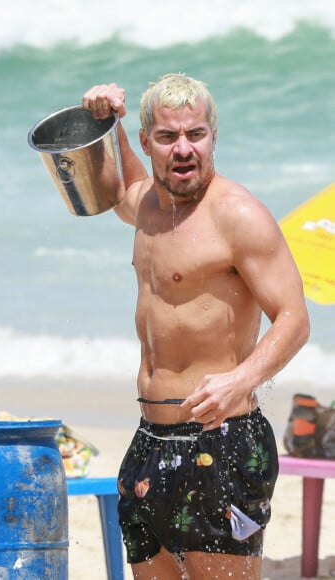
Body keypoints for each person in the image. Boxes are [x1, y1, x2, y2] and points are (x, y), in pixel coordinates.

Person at [81, 74, 310, 579]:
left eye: (196, 134)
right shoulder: (145, 207)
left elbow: (295, 319)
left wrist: (241, 379)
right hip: (149, 440)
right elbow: (109, 190)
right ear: (147, 143)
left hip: (222, 442)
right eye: (167, 137)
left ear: (213, 136)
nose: (184, 149)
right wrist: (104, 125)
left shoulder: (238, 215)